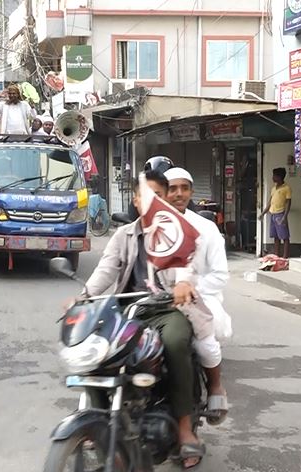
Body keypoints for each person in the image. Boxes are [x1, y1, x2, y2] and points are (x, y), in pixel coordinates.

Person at [83, 169, 205, 468]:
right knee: (93, 347)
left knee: (176, 342)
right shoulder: (123, 234)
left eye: (157, 196)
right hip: (130, 310)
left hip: (167, 309)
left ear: (165, 200)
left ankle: (185, 427)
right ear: (136, 200)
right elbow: (106, 269)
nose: (150, 201)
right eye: (144, 196)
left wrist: (183, 283)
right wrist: (84, 296)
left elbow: (187, 265)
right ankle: (99, 421)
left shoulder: (177, 231)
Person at [164, 167, 231, 425]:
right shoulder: (151, 225)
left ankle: (215, 387)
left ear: (191, 192)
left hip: (199, 295)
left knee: (204, 342)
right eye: (172, 189)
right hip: (158, 297)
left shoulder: (206, 228)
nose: (178, 194)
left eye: (184, 188)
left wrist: (189, 288)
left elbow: (220, 275)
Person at [260, 167, 292, 258]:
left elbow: (288, 203)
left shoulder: (286, 188)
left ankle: (285, 256)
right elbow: (270, 202)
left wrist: (284, 217)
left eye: (274, 176)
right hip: (273, 214)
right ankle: (276, 255)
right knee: (276, 236)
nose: (273, 177)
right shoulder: (273, 188)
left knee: (284, 236)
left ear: (279, 177)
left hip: (280, 214)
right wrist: (263, 213)